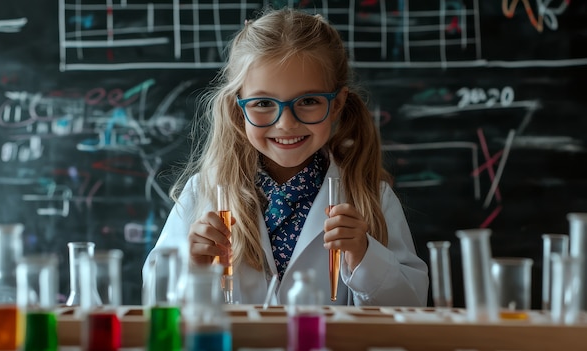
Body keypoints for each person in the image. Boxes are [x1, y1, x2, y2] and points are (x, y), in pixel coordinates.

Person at [143, 7, 428, 306]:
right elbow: (154, 301)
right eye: (264, 102)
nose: (286, 123)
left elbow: (412, 306)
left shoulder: (371, 196)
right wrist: (191, 268)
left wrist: (364, 255)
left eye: (308, 101)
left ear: (336, 104)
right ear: (238, 108)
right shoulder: (202, 195)